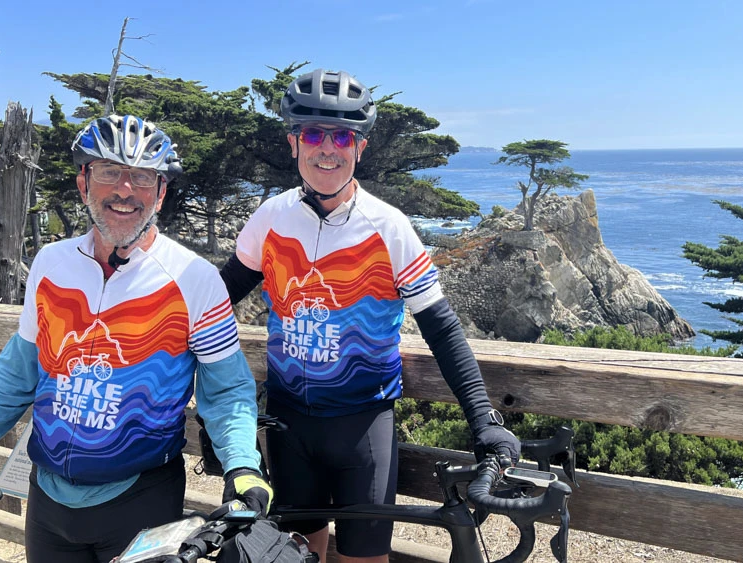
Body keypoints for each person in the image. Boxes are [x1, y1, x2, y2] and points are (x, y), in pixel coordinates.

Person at [0, 114, 271, 563]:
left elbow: (228, 390)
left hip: (142, 497)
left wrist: (243, 468)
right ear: (83, 182)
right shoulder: (51, 264)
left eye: (141, 177)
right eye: (109, 172)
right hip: (48, 498)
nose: (125, 190)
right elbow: (16, 377)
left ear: (161, 192)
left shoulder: (195, 278)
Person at [219, 69, 520, 563]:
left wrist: (483, 420)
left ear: (360, 147)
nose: (327, 149)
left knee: (365, 560)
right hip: (288, 423)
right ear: (293, 142)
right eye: (313, 134)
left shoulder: (388, 226)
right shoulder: (270, 218)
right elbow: (217, 299)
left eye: (342, 136)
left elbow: (440, 327)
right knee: (293, 554)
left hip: (363, 426)